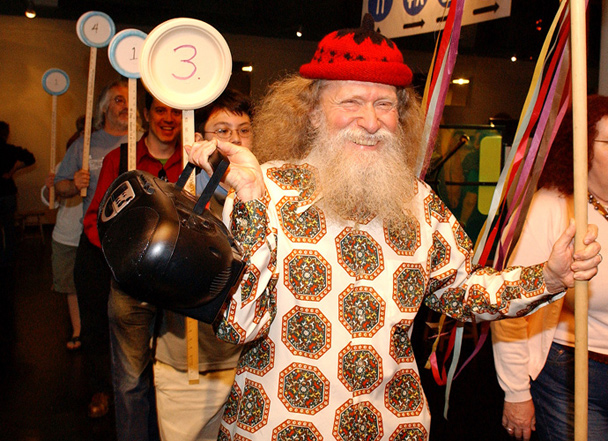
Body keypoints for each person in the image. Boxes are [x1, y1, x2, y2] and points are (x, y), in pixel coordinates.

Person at [185, 15, 601, 440]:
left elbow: (463, 291)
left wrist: (548, 277)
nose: (370, 121)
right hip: (278, 427)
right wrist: (252, 203)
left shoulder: (419, 202)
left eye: (384, 104)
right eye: (351, 102)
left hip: (392, 427)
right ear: (311, 113)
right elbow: (238, 326)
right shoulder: (260, 190)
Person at [491, 95, 608, 441]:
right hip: (572, 372)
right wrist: (516, 392)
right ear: (583, 149)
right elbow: (512, 304)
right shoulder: (554, 206)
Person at [153, 88, 253, 441]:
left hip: (249, 366)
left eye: (244, 129)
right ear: (198, 138)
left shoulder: (266, 197)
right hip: (187, 369)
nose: (236, 140)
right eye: (222, 131)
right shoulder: (178, 202)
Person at [83, 91, 183, 440]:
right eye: (160, 110)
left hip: (178, 291)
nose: (168, 118)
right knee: (130, 380)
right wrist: (124, 259)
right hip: (130, 288)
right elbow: (95, 220)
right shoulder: (119, 157)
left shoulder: (194, 160)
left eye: (175, 111)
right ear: (146, 113)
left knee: (176, 379)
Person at [54, 78, 130, 418]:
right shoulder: (86, 144)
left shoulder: (141, 145)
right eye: (117, 100)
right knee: (95, 319)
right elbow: (60, 187)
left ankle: (131, 389)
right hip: (94, 242)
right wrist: (74, 183)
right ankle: (100, 387)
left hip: (131, 245)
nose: (124, 106)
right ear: (103, 108)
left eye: (129, 100)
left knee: (130, 320)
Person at [41, 151, 83, 350]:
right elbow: (49, 201)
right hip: (67, 236)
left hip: (92, 235)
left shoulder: (101, 160)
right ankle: (77, 330)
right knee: (71, 287)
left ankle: (94, 329)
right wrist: (51, 188)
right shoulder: (63, 166)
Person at [0, 121, 35, 268]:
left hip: (6, 192)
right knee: (9, 227)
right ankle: (9, 258)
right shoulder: (9, 149)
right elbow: (30, 158)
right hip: (7, 192)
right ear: (6, 134)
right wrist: (13, 170)